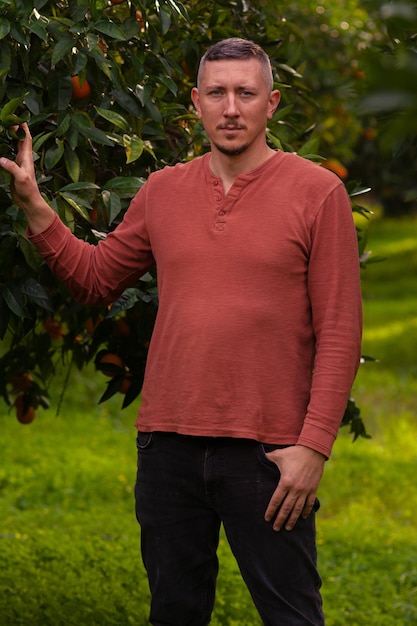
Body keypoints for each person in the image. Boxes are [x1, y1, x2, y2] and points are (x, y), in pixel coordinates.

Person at [0, 38, 362, 626]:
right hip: (166, 446)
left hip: (268, 455)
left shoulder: (317, 193)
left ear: (272, 102)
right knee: (174, 612)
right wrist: (37, 206)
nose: (231, 108)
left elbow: (340, 329)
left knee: (292, 615)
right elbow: (95, 280)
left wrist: (314, 446)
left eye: (246, 93)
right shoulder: (162, 191)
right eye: (217, 93)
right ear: (196, 102)